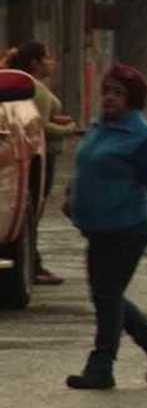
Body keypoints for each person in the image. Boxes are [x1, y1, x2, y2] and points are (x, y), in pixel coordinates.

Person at [64, 63, 147, 390]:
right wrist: (71, 196)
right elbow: (85, 165)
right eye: (107, 91)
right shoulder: (99, 126)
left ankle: (102, 366)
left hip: (126, 229)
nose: (110, 98)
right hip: (97, 229)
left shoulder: (144, 138)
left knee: (107, 294)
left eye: (118, 93)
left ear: (132, 99)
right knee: (106, 294)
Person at [3, 41, 77, 285]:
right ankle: (34, 264)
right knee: (33, 210)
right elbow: (42, 126)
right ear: (35, 63)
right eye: (47, 58)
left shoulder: (29, 87)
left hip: (36, 153)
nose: (52, 62)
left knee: (33, 209)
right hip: (38, 152)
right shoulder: (33, 87)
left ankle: (33, 262)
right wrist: (69, 128)